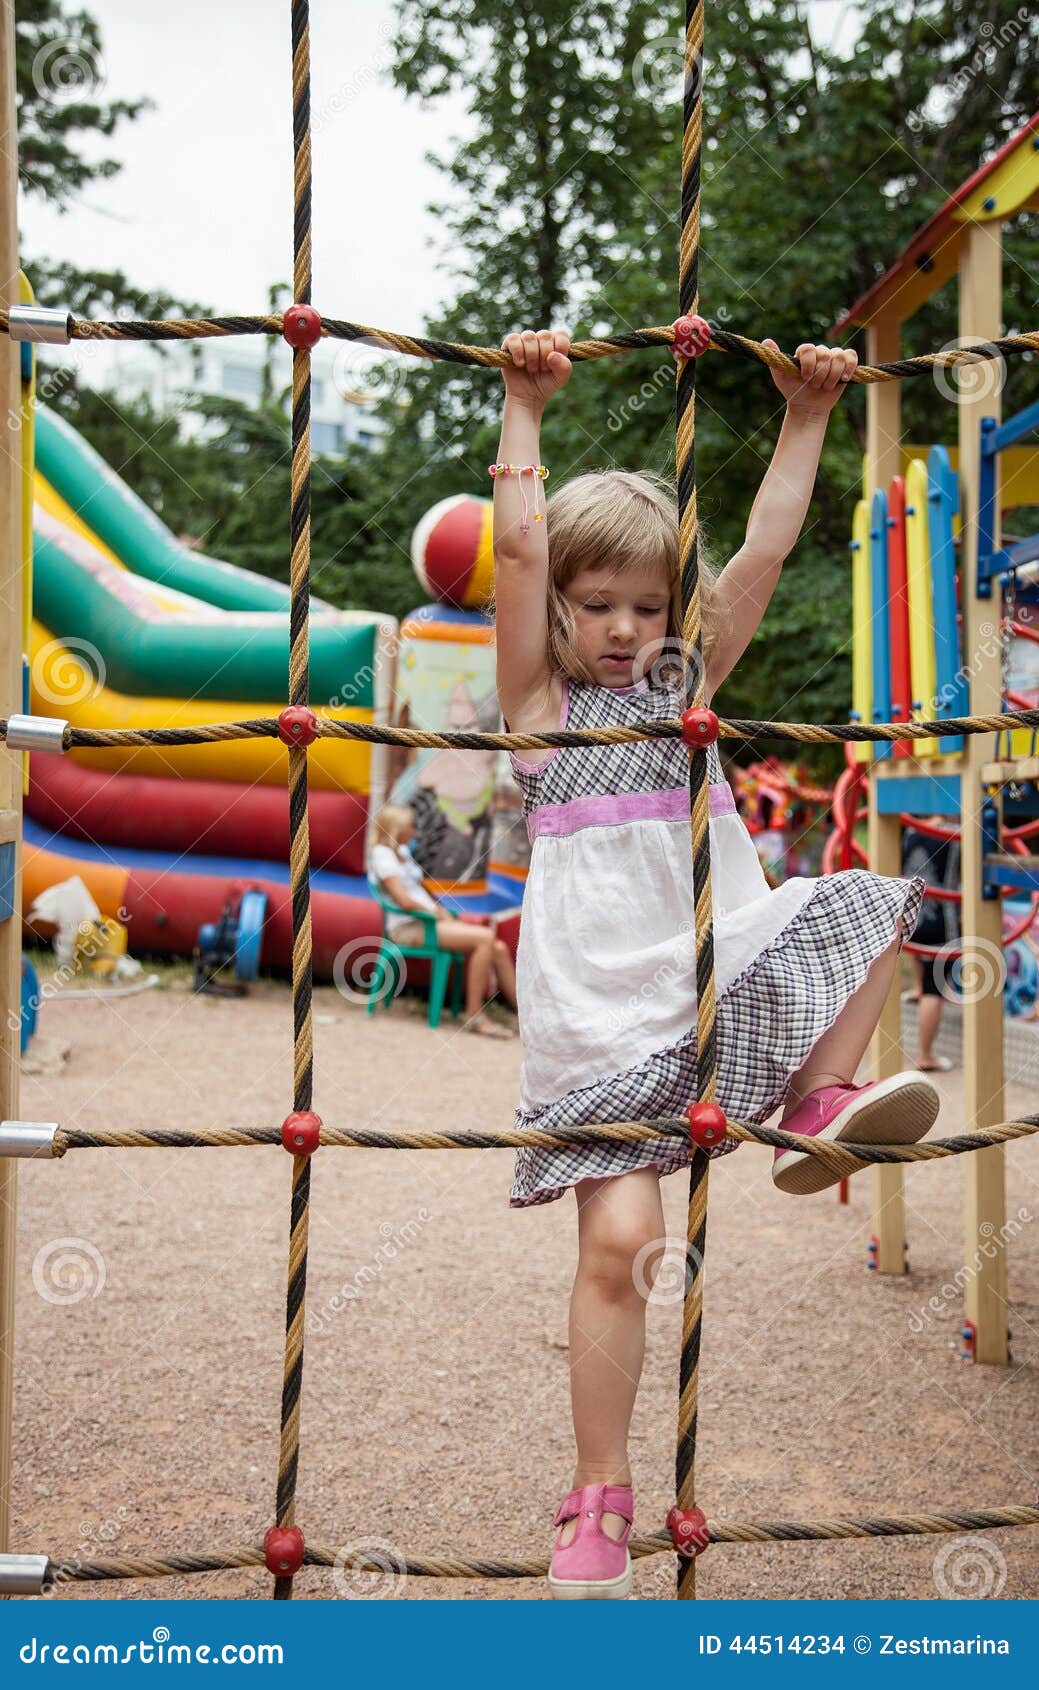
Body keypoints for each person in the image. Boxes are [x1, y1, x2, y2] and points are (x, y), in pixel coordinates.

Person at [492, 326, 935, 1600]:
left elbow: (761, 552)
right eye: (598, 605)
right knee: (621, 1242)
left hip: (707, 967)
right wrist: (524, 409)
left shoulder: (687, 685)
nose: (625, 630)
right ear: (560, 608)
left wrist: (803, 418)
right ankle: (598, 1494)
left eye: (646, 605)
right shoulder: (539, 714)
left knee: (874, 904)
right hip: (600, 1018)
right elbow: (519, 547)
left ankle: (815, 1101)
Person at [368, 805, 516, 1038]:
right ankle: (474, 1014)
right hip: (410, 927)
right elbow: (404, 901)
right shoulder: (382, 856)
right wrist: (435, 914)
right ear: (395, 829)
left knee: (498, 947)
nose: (414, 831)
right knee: (486, 939)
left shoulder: (403, 853)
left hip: (429, 921)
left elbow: (419, 892)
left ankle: (526, 1015)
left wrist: (441, 912)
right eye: (409, 826)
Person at [901, 818, 961, 1071]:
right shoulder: (959, 834)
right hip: (941, 917)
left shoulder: (914, 829)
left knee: (919, 956)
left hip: (914, 913)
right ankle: (926, 1055)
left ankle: (916, 987)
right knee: (933, 990)